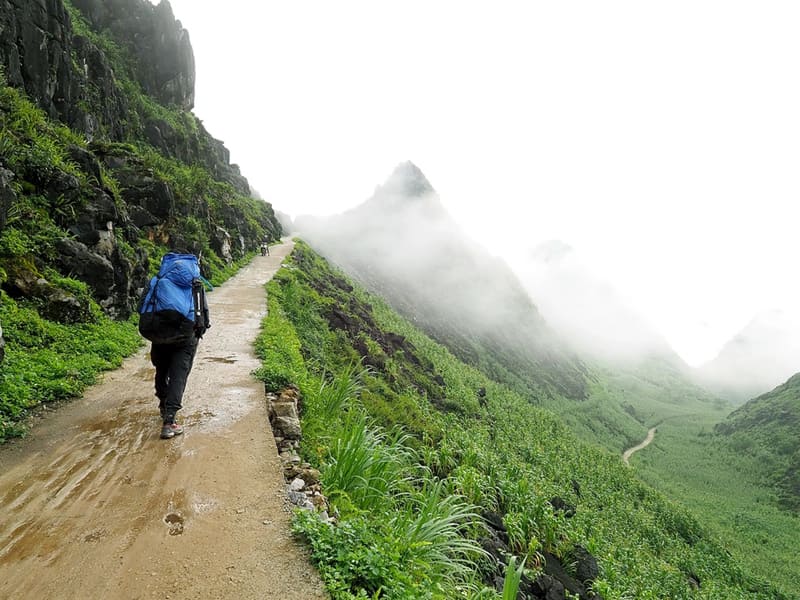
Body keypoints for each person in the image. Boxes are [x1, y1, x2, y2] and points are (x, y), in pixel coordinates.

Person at [144, 253, 210, 439]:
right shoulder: (196, 284)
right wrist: (199, 332)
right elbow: (202, 313)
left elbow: (144, 305)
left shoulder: (158, 280)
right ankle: (169, 421)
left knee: (161, 370)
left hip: (159, 334)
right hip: (186, 337)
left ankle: (162, 403)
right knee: (178, 377)